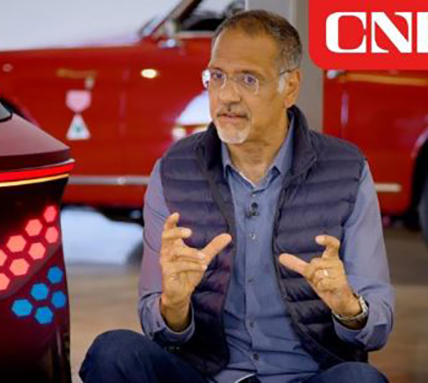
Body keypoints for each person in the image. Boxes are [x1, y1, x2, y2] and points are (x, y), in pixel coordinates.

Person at [80, 9, 394, 383]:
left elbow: (378, 324)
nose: (227, 95)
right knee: (113, 352)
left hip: (306, 376)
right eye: (216, 76)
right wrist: (174, 305)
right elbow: (157, 325)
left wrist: (347, 307)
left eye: (248, 79)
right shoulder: (175, 169)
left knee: (360, 380)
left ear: (290, 87)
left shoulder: (345, 168)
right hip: (208, 375)